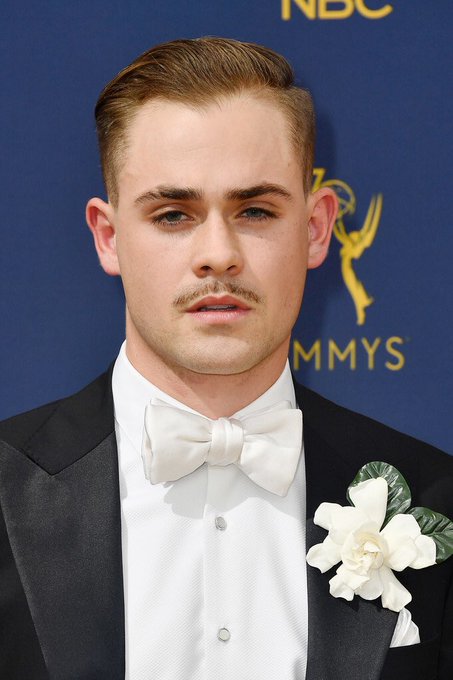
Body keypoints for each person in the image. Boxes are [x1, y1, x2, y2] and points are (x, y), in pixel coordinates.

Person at [0, 37, 451, 680]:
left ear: (316, 228)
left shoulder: (435, 496)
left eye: (256, 210)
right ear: (109, 237)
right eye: (173, 214)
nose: (218, 254)